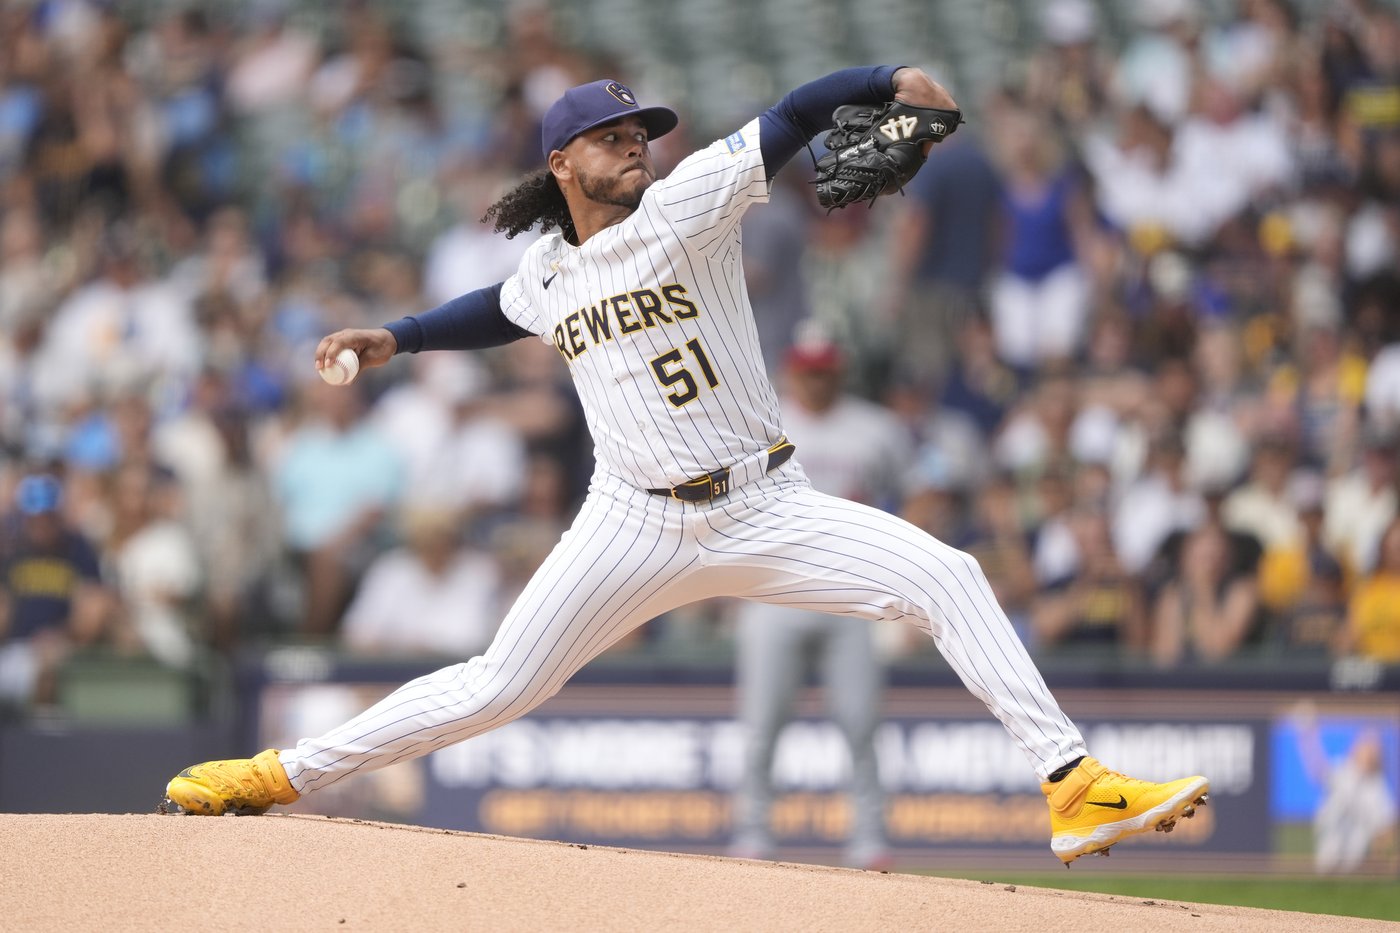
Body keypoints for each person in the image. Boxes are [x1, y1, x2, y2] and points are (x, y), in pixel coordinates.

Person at [164, 67, 1209, 865]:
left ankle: (1070, 783)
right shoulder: (547, 270)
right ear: (562, 164)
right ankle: (276, 775)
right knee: (494, 686)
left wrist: (893, 84)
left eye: (639, 133)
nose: (635, 147)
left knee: (950, 575)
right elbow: (497, 308)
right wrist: (396, 337)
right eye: (610, 138)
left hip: (763, 503)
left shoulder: (687, 204)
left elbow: (797, 111)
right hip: (629, 523)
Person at [728, 333, 908, 870]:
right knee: (761, 725)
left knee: (860, 722)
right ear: (792, 371)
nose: (816, 378)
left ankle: (869, 838)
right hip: (772, 593)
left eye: (824, 369)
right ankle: (753, 834)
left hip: (847, 594)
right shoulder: (759, 420)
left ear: (839, 371)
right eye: (808, 370)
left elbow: (910, 496)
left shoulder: (876, 429)